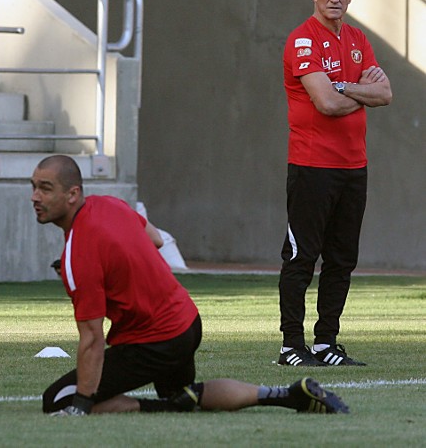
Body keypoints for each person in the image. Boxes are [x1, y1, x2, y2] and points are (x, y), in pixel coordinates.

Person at [31, 155, 348, 416]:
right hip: (186, 322)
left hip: (155, 341)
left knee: (56, 400)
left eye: (45, 189)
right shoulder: (110, 204)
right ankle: (285, 395)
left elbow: (91, 340)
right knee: (185, 393)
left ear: (72, 194)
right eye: (33, 188)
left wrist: (82, 406)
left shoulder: (78, 254)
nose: (35, 197)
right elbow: (155, 240)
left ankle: (164, 408)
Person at [278, 0, 392, 367]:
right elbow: (325, 104)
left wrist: (344, 86)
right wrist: (360, 90)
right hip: (312, 166)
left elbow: (386, 94)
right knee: (301, 257)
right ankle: (291, 345)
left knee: (342, 259)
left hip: (353, 167)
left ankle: (326, 343)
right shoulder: (302, 40)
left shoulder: (358, 39)